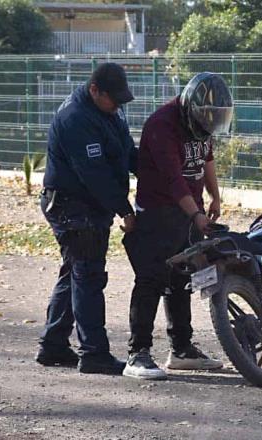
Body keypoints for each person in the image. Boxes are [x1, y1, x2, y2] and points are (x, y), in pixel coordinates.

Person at [121, 72, 233, 380]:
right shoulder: (162, 126)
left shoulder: (202, 121)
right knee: (151, 279)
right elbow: (173, 181)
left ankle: (181, 349)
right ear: (189, 107)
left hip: (188, 211)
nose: (209, 125)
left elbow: (206, 159)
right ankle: (138, 354)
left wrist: (214, 197)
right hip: (158, 211)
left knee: (182, 279)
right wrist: (196, 215)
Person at [35, 62, 138, 375]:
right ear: (95, 90)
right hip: (73, 208)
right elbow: (94, 175)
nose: (118, 105)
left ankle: (53, 345)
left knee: (75, 273)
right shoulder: (75, 119)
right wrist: (125, 209)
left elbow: (127, 153)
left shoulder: (107, 112)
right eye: (113, 99)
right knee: (88, 276)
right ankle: (94, 352)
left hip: (88, 206)